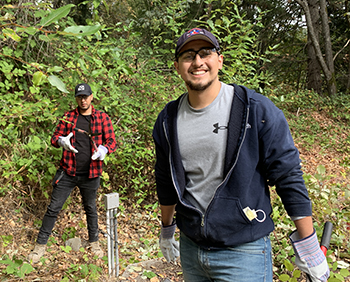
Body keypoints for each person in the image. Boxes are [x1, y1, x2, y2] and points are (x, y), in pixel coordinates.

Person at [152, 28, 330, 282]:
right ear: (178, 67)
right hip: (192, 250)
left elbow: (287, 175)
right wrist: (167, 229)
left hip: (244, 251)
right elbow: (166, 179)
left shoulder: (255, 110)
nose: (198, 61)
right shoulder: (168, 119)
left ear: (220, 60)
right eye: (188, 55)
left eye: (206, 52)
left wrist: (309, 245)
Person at [28, 83, 117, 263]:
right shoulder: (69, 117)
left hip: (91, 173)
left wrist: (104, 150)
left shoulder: (102, 117)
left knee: (90, 208)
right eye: (79, 97)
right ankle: (39, 247)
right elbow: (54, 138)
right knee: (53, 208)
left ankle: (94, 243)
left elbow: (112, 141)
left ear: (92, 97)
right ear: (76, 99)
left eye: (86, 96)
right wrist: (61, 141)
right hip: (68, 171)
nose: (83, 100)